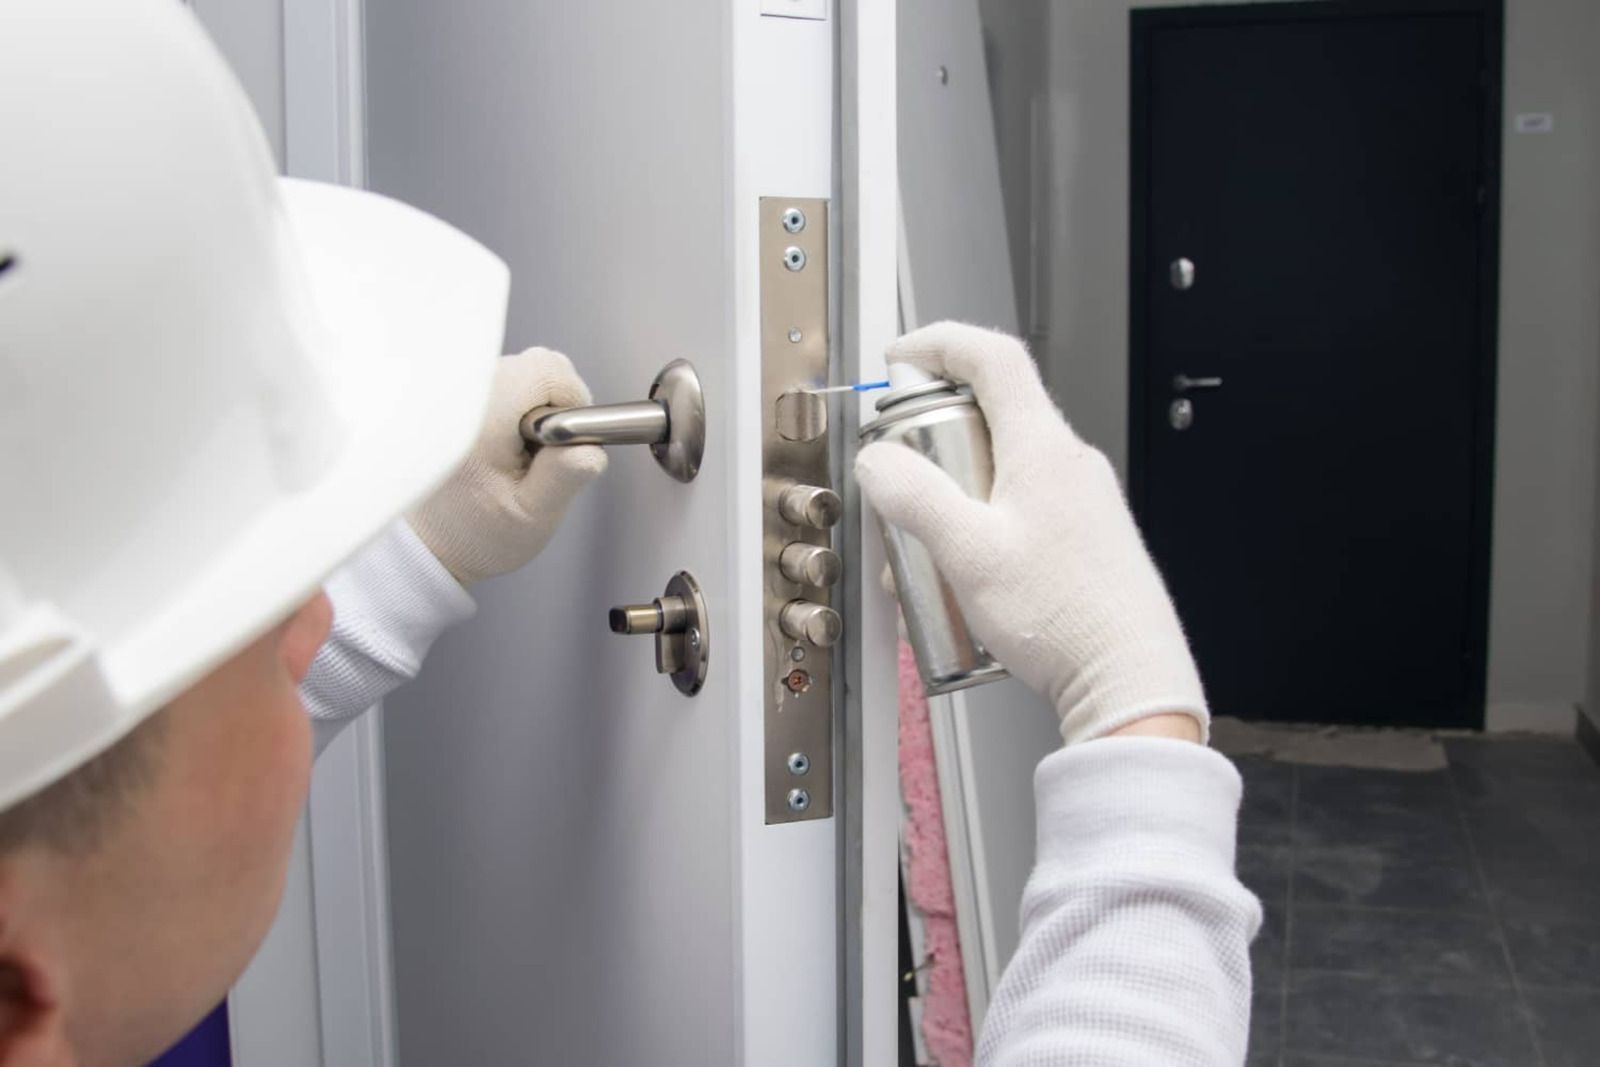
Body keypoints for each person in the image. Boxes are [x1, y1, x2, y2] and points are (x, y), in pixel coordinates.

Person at [0, 3, 1257, 1065]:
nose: (313, 616)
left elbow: (113, 790)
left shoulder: (83, 950)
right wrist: (1132, 705)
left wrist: (412, 548)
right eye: (241, 613)